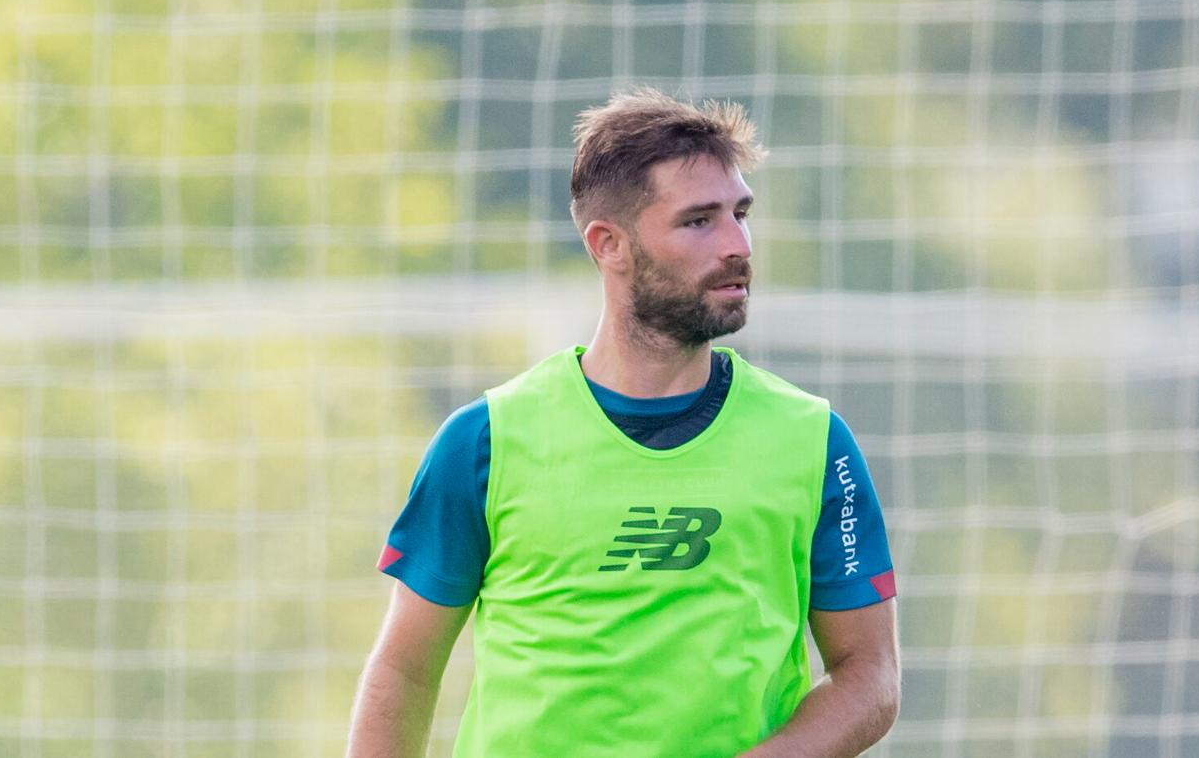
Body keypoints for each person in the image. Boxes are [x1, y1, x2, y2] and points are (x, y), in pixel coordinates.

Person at [347, 87, 900, 758]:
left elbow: (869, 674)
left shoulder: (814, 440)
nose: (737, 244)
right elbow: (405, 670)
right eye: (699, 221)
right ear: (608, 244)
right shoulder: (484, 440)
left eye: (740, 213)